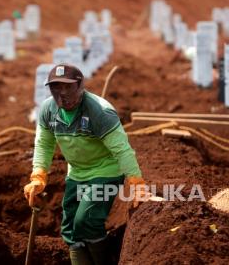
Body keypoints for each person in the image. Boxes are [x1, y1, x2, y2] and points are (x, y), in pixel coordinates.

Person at [24, 64, 147, 264]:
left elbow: (121, 148)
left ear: (80, 86)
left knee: (87, 220)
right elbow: (44, 144)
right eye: (56, 88)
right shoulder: (48, 110)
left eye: (68, 87)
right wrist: (38, 176)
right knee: (71, 227)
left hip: (106, 170)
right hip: (77, 172)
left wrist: (136, 182)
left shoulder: (100, 112)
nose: (62, 94)